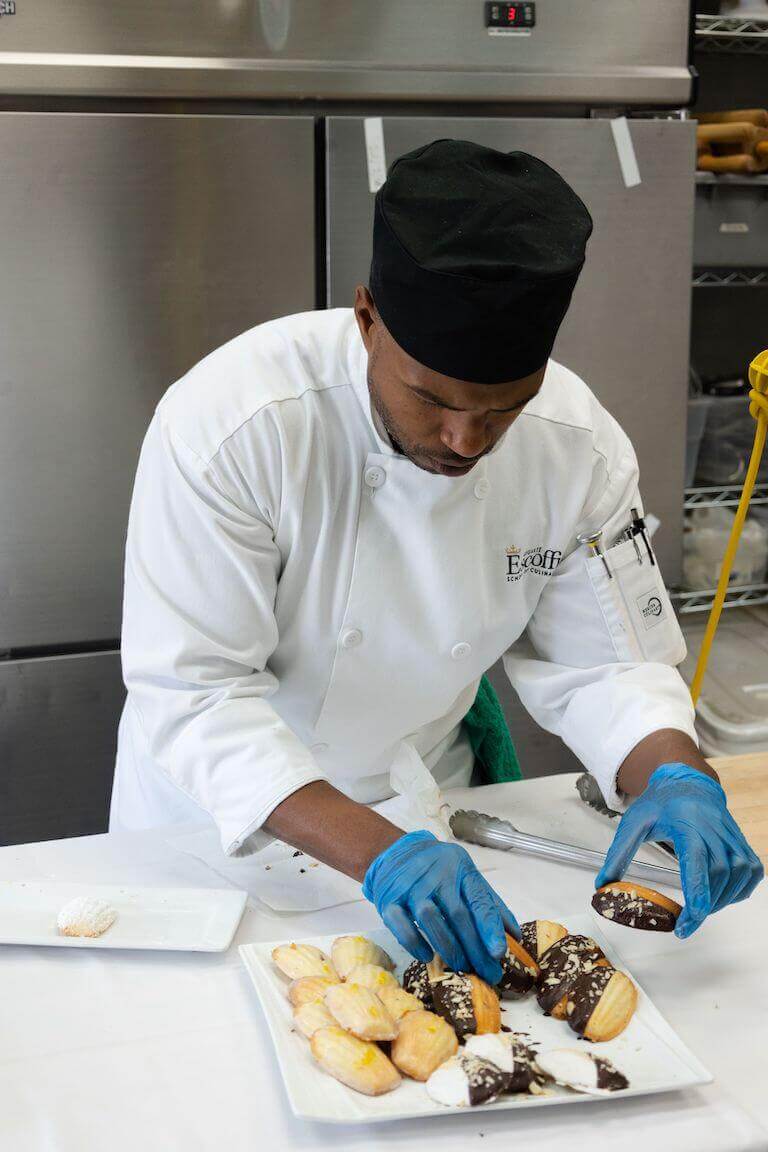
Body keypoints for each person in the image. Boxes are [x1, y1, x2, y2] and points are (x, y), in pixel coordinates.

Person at [112, 140, 762, 984]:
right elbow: (195, 696)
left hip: (423, 817)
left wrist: (677, 772)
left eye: (504, 409)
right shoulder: (239, 421)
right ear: (366, 317)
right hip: (216, 835)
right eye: (432, 399)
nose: (464, 441)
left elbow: (606, 666)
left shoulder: (579, 448)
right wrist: (380, 855)